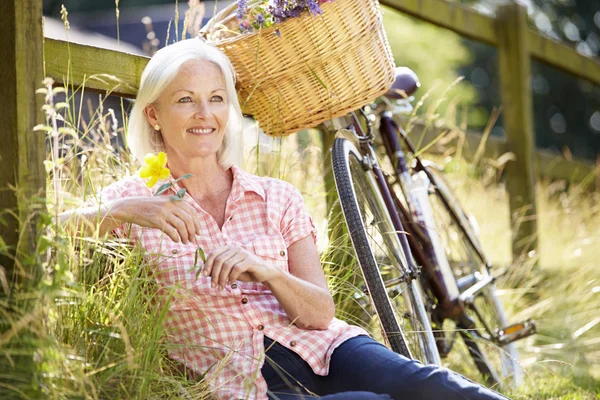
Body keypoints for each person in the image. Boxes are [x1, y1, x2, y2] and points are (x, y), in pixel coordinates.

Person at [59, 38, 510, 400]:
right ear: (154, 114)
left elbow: (320, 313)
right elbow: (47, 229)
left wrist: (268, 272)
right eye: (185, 100)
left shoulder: (276, 197)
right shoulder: (136, 200)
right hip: (240, 381)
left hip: (326, 348)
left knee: (432, 386)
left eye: (216, 99)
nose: (204, 114)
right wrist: (121, 211)